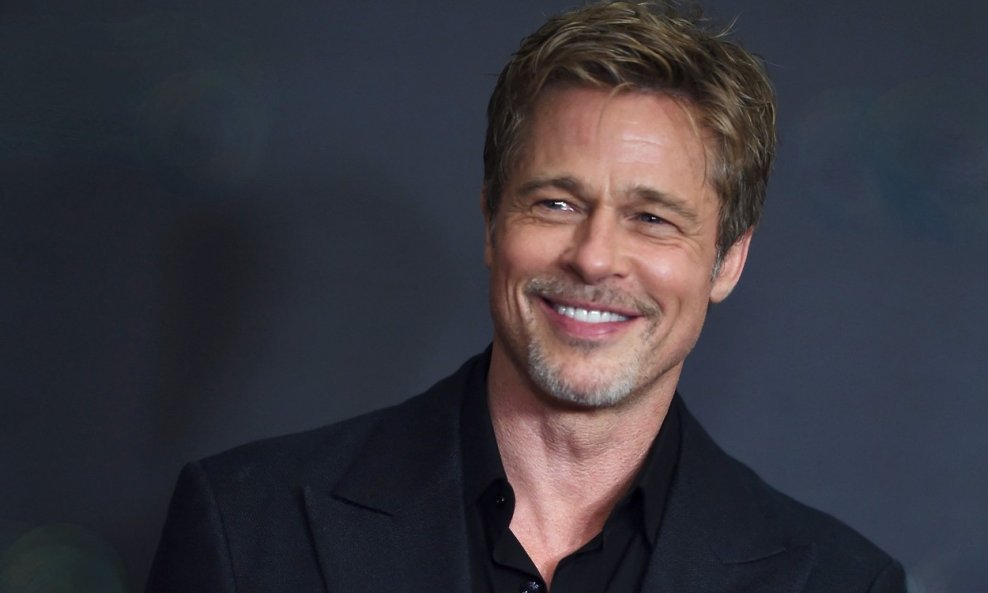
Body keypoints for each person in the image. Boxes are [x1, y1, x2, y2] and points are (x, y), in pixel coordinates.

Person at [146, 2, 906, 592]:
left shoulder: (840, 582)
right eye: (556, 203)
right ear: (491, 223)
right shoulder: (246, 526)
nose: (595, 256)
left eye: (652, 218)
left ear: (727, 261)